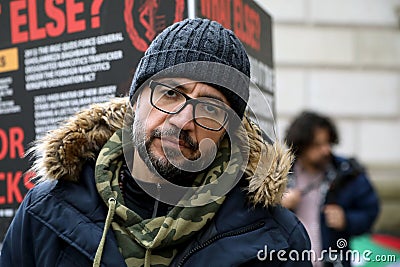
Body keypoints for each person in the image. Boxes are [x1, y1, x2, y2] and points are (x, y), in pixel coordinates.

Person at [1, 18, 311, 267]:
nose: (182, 121)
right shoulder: (46, 210)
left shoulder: (275, 238)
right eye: (170, 93)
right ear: (136, 100)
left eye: (210, 108)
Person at [282, 111, 379, 267]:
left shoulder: (348, 172)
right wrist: (278, 205)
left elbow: (370, 211)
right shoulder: (280, 173)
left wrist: (347, 220)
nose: (325, 150)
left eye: (328, 143)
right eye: (317, 145)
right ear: (301, 145)